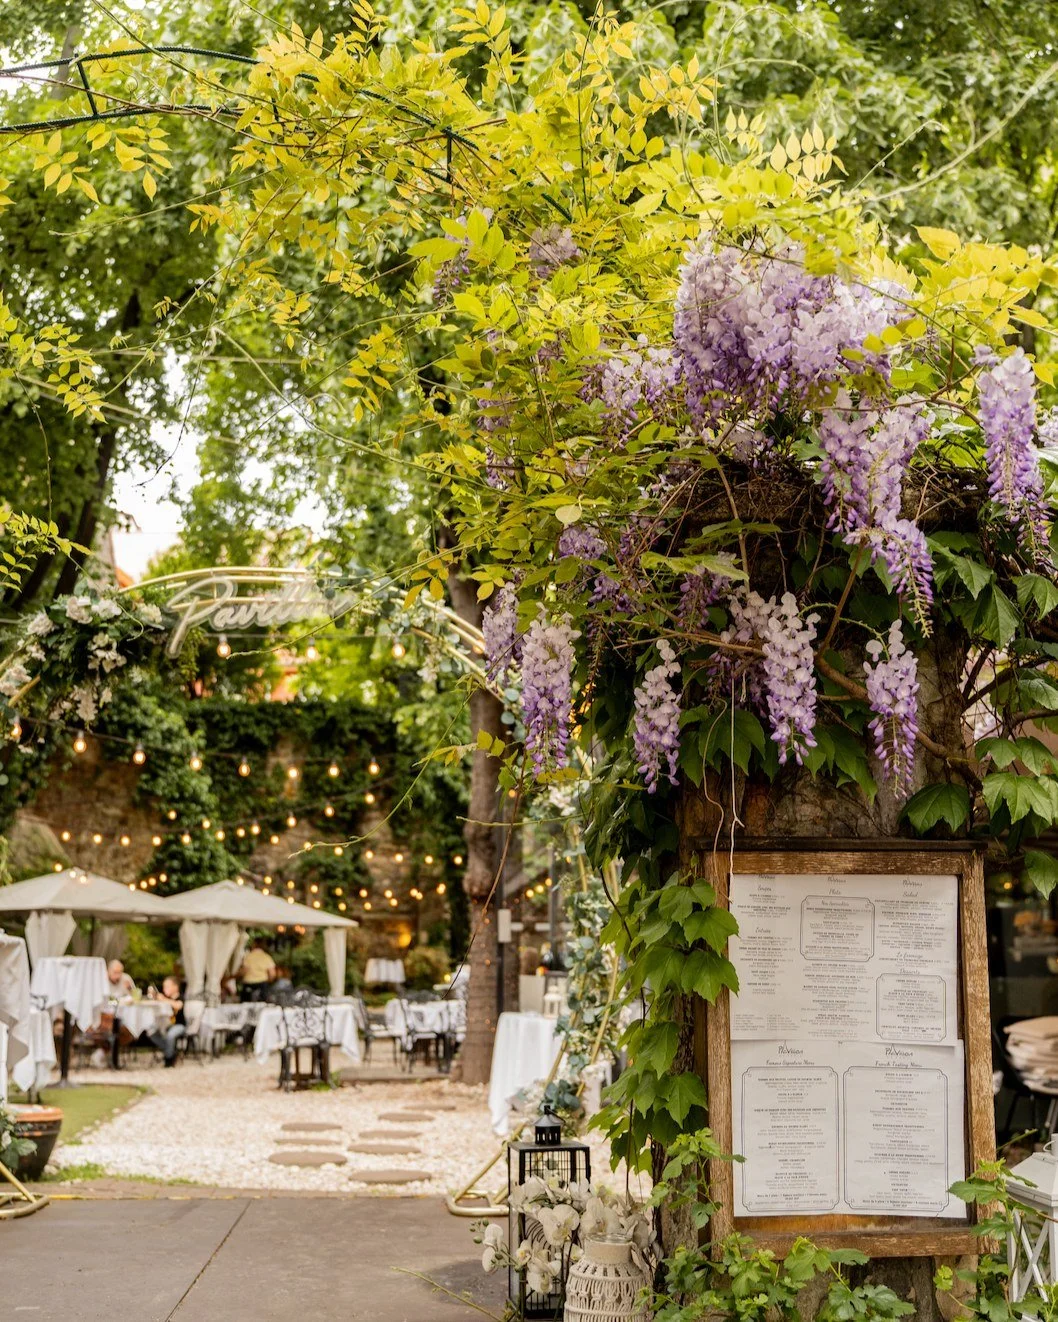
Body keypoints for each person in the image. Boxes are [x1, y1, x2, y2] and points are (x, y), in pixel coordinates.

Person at [149, 976, 186, 1068]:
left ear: (175, 987)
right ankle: (172, 1051)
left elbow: (178, 1005)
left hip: (179, 1025)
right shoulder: (164, 998)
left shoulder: (180, 997)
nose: (164, 989)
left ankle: (169, 1058)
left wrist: (164, 999)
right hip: (165, 1025)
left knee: (170, 1035)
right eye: (164, 987)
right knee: (151, 1033)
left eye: (167, 986)